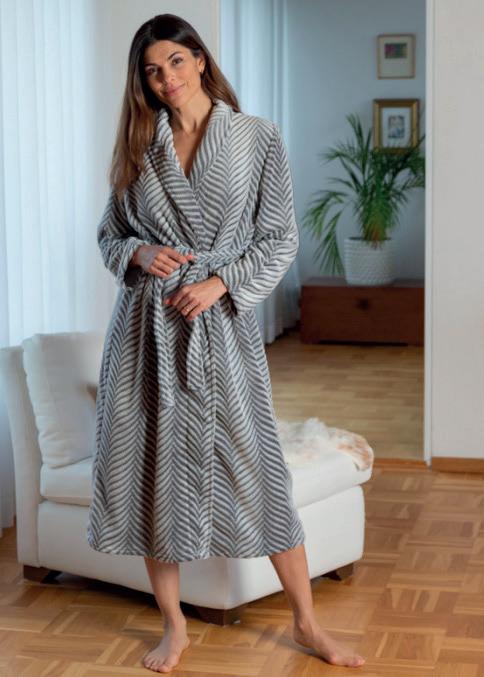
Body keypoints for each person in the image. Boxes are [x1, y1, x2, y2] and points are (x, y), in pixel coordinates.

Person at [86, 12, 366, 674]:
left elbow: (280, 237)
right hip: (147, 333)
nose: (167, 79)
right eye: (152, 71)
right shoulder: (138, 146)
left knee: (259, 471)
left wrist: (220, 283)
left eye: (176, 62)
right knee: (155, 474)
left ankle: (306, 622)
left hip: (220, 326)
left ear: (201, 61)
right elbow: (109, 235)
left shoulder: (255, 137)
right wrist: (138, 252)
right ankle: (175, 626)